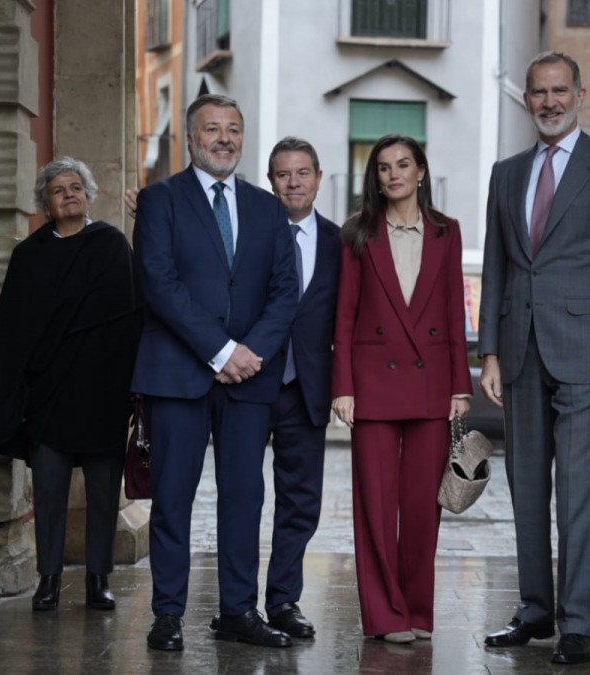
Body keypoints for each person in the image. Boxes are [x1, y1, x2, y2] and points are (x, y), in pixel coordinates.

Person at [478, 51, 590, 665]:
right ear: (526, 99)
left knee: (580, 494)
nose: (548, 101)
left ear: (580, 94)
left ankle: (578, 622)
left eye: (559, 90)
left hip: (589, 358)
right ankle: (535, 609)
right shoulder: (506, 172)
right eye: (537, 92)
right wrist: (489, 350)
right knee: (526, 488)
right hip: (519, 353)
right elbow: (497, 265)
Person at [131, 94, 299, 651]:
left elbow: (285, 291)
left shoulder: (267, 207)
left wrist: (248, 353)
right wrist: (220, 350)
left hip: (251, 379)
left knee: (244, 498)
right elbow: (159, 283)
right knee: (173, 498)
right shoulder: (160, 201)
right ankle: (169, 614)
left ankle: (237, 611)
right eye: (212, 129)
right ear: (190, 137)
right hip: (179, 375)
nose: (224, 138)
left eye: (233, 129)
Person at [0, 156, 142, 613]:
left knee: (104, 493)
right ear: (45, 203)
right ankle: (48, 579)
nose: (69, 194)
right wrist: (11, 399)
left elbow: (130, 320)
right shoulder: (29, 256)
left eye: (76, 186)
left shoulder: (111, 245)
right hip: (48, 396)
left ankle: (99, 579)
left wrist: (130, 388)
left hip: (102, 392)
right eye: (59, 189)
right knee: (49, 491)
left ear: (89, 195)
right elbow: (12, 335)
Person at [331, 134, 472, 644]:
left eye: (403, 164)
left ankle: (416, 612)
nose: (393, 174)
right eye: (384, 167)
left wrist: (461, 386)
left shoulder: (446, 232)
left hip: (433, 385)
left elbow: (455, 311)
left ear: (421, 172)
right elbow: (343, 317)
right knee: (375, 505)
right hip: (371, 386)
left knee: (420, 509)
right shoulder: (357, 233)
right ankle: (384, 617)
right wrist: (342, 386)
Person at [256, 136, 342, 638]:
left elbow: (348, 320)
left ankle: (284, 601)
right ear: (271, 182)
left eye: (302, 173)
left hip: (308, 388)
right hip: (250, 382)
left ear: (318, 178)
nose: (293, 182)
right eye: (283, 174)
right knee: (244, 497)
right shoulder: (252, 234)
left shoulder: (339, 241)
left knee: (300, 501)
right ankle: (239, 603)